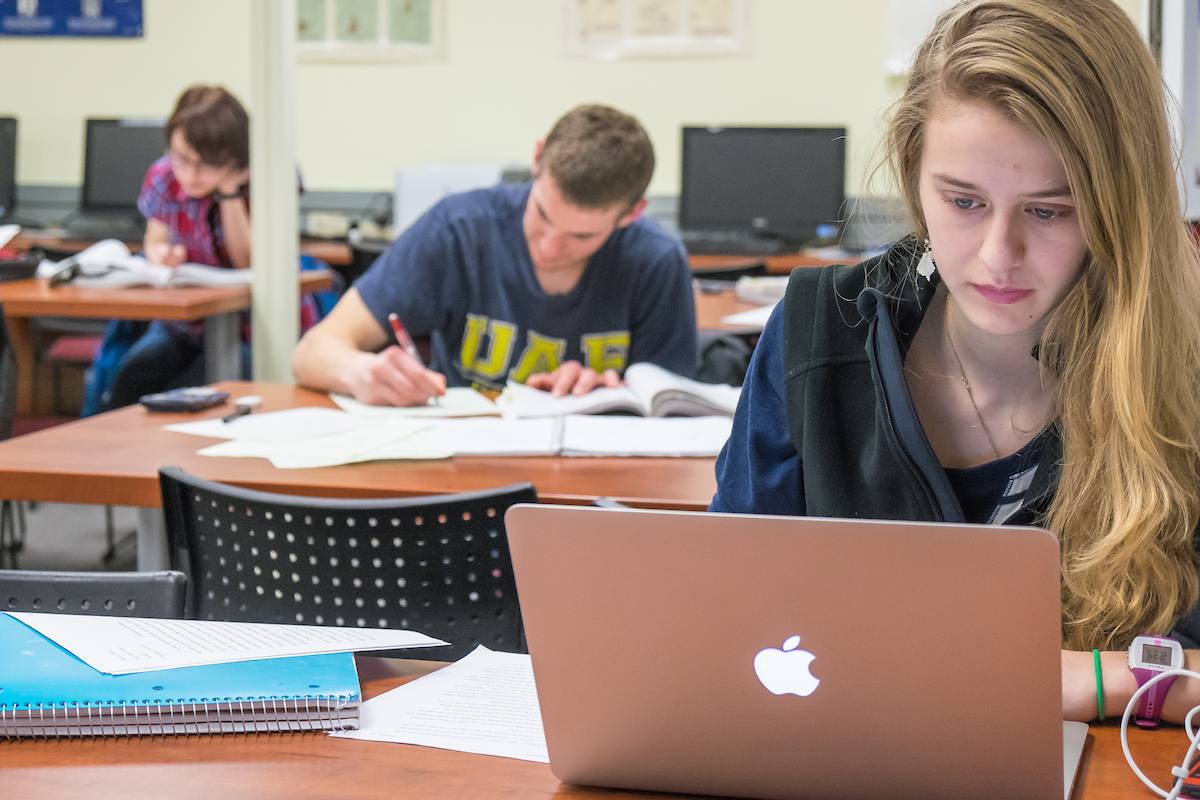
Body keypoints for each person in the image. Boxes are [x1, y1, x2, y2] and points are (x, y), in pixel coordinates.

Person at [711, 0, 1200, 724]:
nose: (999, 257)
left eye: (1050, 210)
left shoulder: (1181, 367)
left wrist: (1084, 684)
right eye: (963, 201)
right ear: (914, 178)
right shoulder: (819, 331)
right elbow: (720, 613)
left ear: (1120, 204)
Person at [291, 104, 698, 406]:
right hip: (465, 471)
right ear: (537, 158)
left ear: (632, 213)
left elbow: (671, 403)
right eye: (542, 215)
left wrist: (612, 391)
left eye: (581, 235)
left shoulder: (654, 261)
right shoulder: (458, 230)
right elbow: (313, 350)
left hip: (591, 487)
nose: (549, 247)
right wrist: (362, 371)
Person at [103, 85, 252, 409]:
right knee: (133, 378)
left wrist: (229, 194)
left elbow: (247, 261)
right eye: (182, 158)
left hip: (246, 328)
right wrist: (160, 254)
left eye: (206, 164)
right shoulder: (164, 176)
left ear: (234, 159)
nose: (190, 174)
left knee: (202, 388)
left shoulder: (262, 179)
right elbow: (155, 238)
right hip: (183, 326)